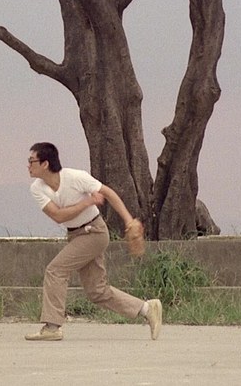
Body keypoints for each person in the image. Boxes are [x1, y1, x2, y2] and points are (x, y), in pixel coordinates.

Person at [24, 142, 162, 341]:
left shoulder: (75, 177)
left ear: (45, 163)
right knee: (97, 291)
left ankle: (52, 327)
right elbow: (58, 216)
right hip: (76, 234)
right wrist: (87, 202)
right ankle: (148, 309)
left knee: (55, 270)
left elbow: (108, 193)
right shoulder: (37, 188)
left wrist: (129, 221)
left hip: (94, 232)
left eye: (31, 161)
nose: (28, 165)